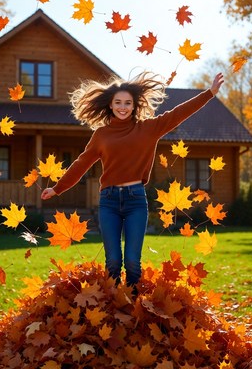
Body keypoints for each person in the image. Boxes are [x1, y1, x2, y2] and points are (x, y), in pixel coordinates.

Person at [41, 71, 224, 290]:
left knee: (132, 263)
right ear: (110, 104)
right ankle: (114, 308)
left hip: (135, 200)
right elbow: (81, 163)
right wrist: (57, 188)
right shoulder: (101, 135)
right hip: (109, 201)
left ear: (134, 105)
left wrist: (210, 93)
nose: (123, 107)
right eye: (118, 102)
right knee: (113, 262)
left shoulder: (148, 129)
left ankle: (134, 309)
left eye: (128, 103)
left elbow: (178, 113)